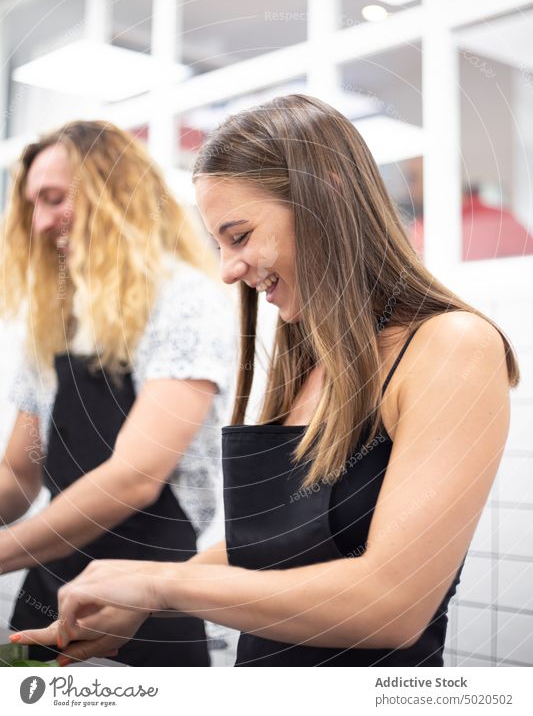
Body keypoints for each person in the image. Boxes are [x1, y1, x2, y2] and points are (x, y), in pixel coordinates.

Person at [12, 95, 518, 667]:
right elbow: (273, 544)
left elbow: (392, 605)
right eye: (220, 244)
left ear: (325, 195)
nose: (228, 268)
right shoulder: (306, 361)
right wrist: (143, 599)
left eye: (240, 234)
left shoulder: (452, 347)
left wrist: (161, 587)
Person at [0, 120, 235, 666]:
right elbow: (19, 474)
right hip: (50, 583)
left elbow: (134, 478)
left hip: (144, 592)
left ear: (113, 193)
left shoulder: (184, 300)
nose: (39, 223)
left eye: (55, 199)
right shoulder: (54, 317)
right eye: (33, 205)